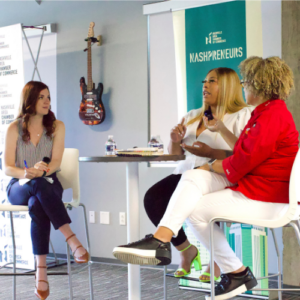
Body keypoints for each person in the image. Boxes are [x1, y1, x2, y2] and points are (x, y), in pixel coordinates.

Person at [112, 56, 299, 300]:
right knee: (191, 177)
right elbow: (245, 151)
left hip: (267, 196)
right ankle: (162, 239)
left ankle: (235, 271)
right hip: (255, 185)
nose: (244, 86)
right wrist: (216, 143)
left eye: (246, 82)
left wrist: (212, 165)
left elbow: (242, 162)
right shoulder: (266, 113)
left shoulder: (271, 116)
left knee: (195, 208)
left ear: (259, 85)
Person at [114, 67, 253, 281]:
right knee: (153, 199)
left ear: (227, 86)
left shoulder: (241, 115)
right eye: (204, 81)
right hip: (187, 172)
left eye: (212, 81)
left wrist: (211, 153)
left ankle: (218, 260)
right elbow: (176, 155)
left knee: (203, 207)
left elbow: (245, 153)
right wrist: (175, 141)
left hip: (218, 174)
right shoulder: (192, 116)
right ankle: (185, 249)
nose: (205, 85)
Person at [4, 81, 89, 300]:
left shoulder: (57, 126)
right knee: (35, 189)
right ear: (29, 100)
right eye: (41, 97)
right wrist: (27, 173)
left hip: (48, 183)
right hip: (19, 186)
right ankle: (71, 239)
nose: (47, 101)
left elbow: (57, 161)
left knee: (37, 200)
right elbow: (7, 167)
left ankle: (40, 270)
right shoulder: (14, 128)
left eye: (48, 97)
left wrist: (41, 172)